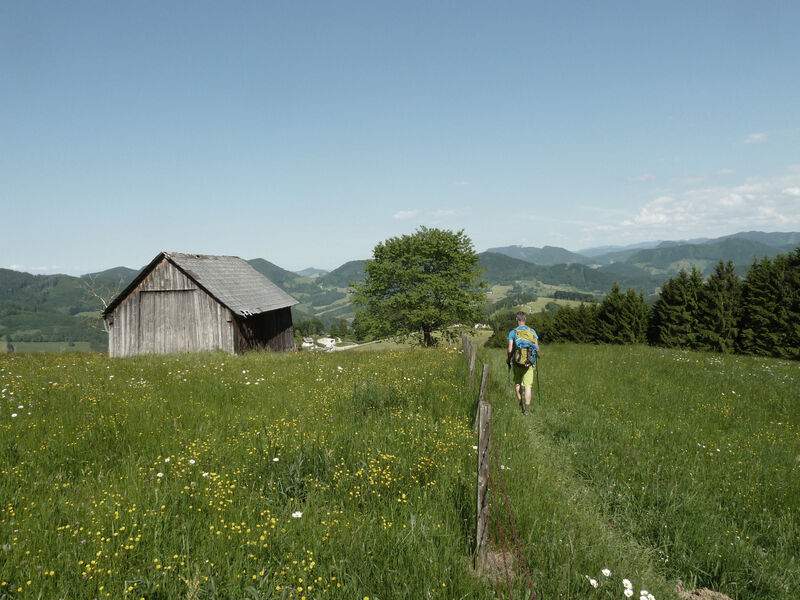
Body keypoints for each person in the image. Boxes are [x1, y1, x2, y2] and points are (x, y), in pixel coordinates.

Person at [507, 311, 540, 414]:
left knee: (517, 383)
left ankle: (521, 403)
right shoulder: (532, 331)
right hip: (529, 362)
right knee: (528, 386)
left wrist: (509, 359)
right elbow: (537, 348)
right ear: (525, 319)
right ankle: (527, 409)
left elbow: (509, 349)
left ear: (517, 320)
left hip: (517, 362)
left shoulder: (513, 332)